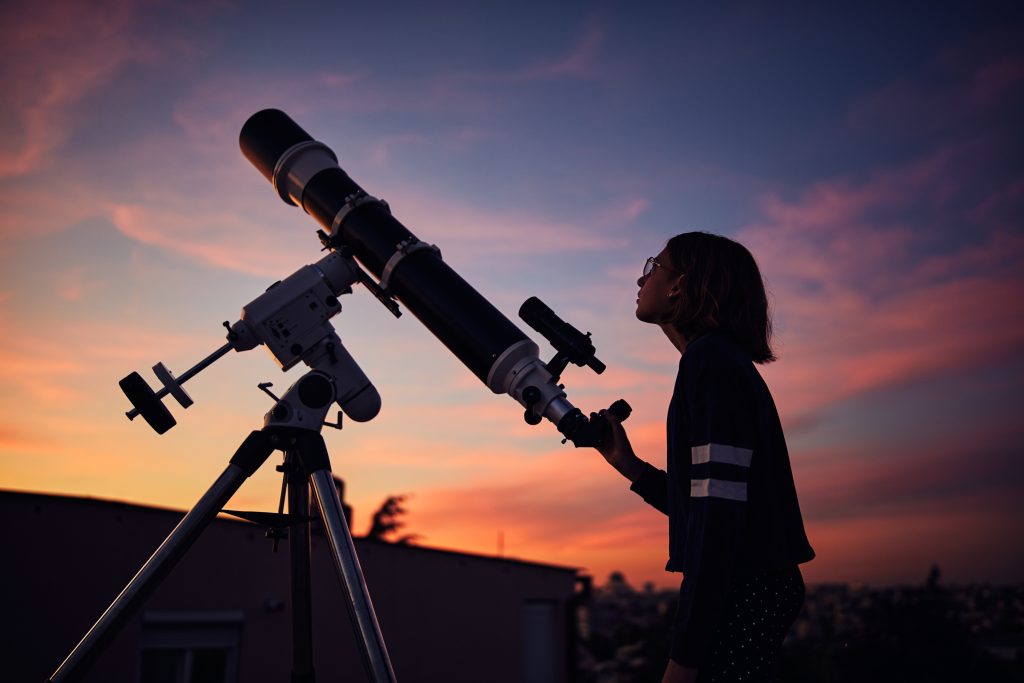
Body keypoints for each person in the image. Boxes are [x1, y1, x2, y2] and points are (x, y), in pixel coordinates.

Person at [594, 232, 815, 683]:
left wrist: (684, 657)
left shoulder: (709, 363)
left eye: (654, 266)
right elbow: (704, 503)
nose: (641, 278)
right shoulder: (715, 362)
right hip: (752, 584)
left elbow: (717, 520)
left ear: (680, 284)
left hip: (743, 587)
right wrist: (627, 463)